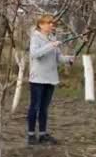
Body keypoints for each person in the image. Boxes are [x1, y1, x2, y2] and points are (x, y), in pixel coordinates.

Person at [27, 15, 75, 146]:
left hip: (51, 79)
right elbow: (35, 54)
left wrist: (68, 59)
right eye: (49, 23)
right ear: (41, 24)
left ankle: (43, 134)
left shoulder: (52, 38)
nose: (52, 25)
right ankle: (31, 135)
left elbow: (58, 57)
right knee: (34, 107)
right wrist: (51, 45)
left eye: (53, 23)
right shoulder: (35, 37)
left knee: (44, 108)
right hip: (38, 79)